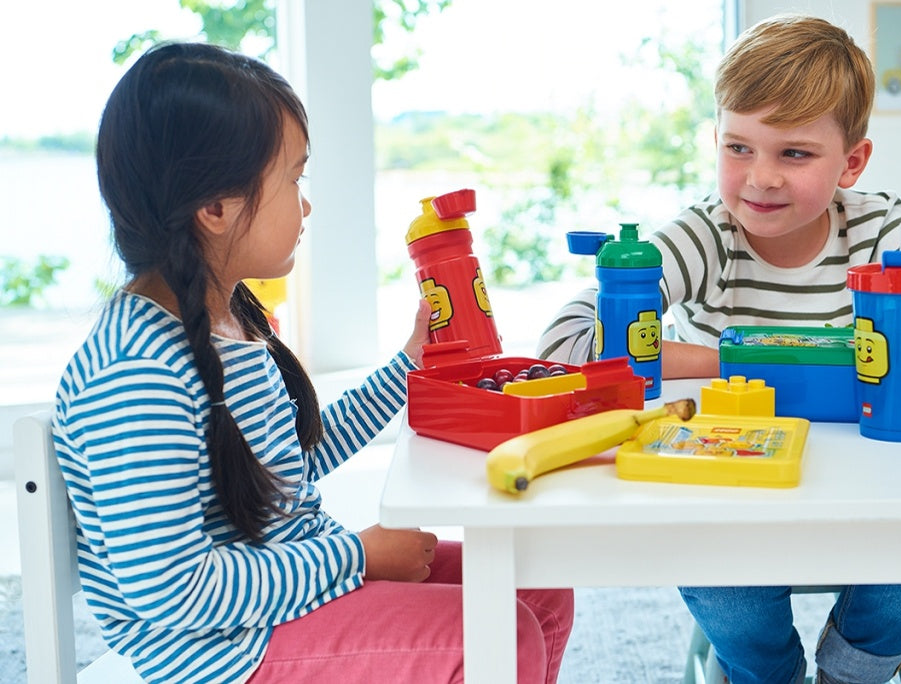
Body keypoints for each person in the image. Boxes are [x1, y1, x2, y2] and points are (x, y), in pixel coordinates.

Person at [52, 42, 573, 684]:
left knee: (537, 582)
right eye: (294, 178)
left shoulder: (227, 318)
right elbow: (173, 590)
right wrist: (356, 559)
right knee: (498, 634)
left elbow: (286, 466)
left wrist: (411, 363)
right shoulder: (134, 373)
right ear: (214, 209)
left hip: (288, 592)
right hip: (226, 651)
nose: (306, 204)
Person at [537, 14, 901, 684]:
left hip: (874, 501)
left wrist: (718, 359)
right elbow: (568, 346)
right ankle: (770, 674)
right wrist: (785, 362)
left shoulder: (877, 227)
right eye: (738, 147)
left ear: (852, 163)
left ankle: (852, 670)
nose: (759, 178)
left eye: (794, 153)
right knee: (704, 560)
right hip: (735, 503)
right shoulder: (707, 233)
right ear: (715, 140)